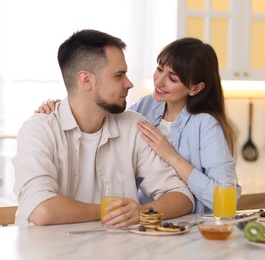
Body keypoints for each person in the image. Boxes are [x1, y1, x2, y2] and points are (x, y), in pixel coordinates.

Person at [36, 37, 241, 214]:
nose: (159, 82)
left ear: (195, 88)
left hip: (192, 229)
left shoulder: (206, 125)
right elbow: (101, 112)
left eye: (172, 78)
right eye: (159, 69)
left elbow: (228, 200)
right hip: (147, 224)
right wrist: (61, 108)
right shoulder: (147, 105)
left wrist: (171, 156)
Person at [13, 29, 194, 227]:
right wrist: (113, 211)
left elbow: (182, 197)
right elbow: (42, 210)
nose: (129, 83)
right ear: (86, 80)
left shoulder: (133, 126)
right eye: (119, 75)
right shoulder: (38, 130)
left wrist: (141, 212)